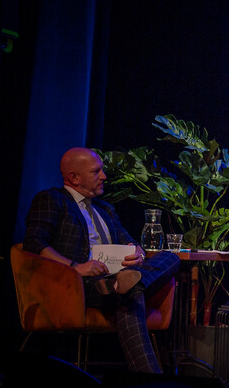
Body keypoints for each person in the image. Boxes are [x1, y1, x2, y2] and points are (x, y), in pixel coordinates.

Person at [23, 147, 180, 373]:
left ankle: (127, 282)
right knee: (130, 294)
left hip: (117, 277)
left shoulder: (105, 208)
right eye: (96, 171)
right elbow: (34, 244)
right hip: (79, 284)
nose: (104, 176)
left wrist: (137, 253)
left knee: (170, 257)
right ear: (74, 178)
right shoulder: (53, 200)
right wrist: (76, 268)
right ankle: (150, 380)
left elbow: (129, 241)